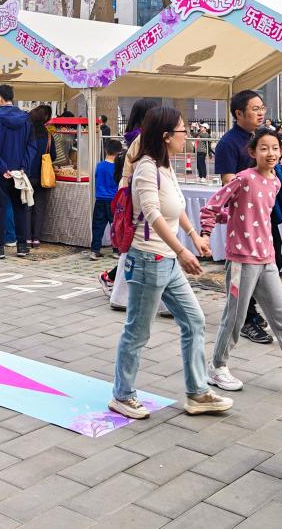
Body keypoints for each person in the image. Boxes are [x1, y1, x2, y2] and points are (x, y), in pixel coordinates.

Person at [109, 107, 231, 419]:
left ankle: (197, 392)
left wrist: (193, 235)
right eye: (181, 131)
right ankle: (122, 395)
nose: (186, 135)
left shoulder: (165, 167)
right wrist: (182, 250)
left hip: (167, 261)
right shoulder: (146, 168)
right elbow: (152, 213)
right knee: (137, 331)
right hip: (148, 258)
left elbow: (176, 205)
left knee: (194, 321)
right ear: (166, 137)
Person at [201, 127, 282, 397]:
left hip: (267, 259)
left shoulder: (274, 181)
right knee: (234, 318)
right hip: (241, 260)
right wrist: (206, 231)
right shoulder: (243, 178)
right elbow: (214, 205)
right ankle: (217, 366)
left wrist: (232, 216)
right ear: (252, 152)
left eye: (275, 148)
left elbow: (255, 213)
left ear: (281, 153)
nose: (270, 153)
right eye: (264, 148)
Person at [214, 89, 272, 344]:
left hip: (265, 215)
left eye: (262, 108)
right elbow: (228, 183)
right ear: (239, 113)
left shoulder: (260, 138)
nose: (261, 113)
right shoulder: (228, 143)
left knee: (263, 266)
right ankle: (246, 320)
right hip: (244, 220)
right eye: (255, 109)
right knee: (244, 269)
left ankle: (254, 313)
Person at [99, 99, 156, 302]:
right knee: (132, 245)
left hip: (135, 196)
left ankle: (117, 283)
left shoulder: (137, 137)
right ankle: (113, 280)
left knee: (133, 246)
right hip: (135, 199)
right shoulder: (140, 139)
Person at [0, 84, 33, 259]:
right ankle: (22, 246)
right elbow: (31, 146)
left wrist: (2, 168)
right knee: (20, 208)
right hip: (19, 172)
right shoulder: (26, 118)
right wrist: (22, 168)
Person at [90, 137, 121, 260]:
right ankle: (116, 250)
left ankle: (95, 250)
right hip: (113, 200)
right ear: (118, 153)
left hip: (100, 199)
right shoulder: (117, 168)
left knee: (98, 226)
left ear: (106, 150)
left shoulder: (100, 166)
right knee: (115, 226)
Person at [26, 105, 52, 247]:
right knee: (39, 207)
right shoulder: (48, 135)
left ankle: (26, 237)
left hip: (28, 174)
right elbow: (53, 155)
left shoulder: (27, 133)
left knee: (27, 206)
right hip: (43, 176)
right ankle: (36, 238)